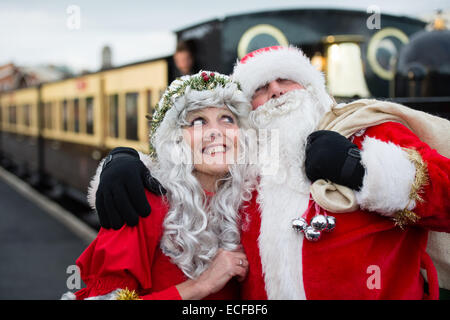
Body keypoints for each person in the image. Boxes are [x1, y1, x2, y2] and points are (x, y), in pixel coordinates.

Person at [90, 46, 450, 299]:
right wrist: (124, 161)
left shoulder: (364, 131)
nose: (276, 91)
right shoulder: (247, 164)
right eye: (260, 88)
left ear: (312, 88)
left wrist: (361, 169)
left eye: (286, 79)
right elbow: (185, 172)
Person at [62, 71, 254, 300]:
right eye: (198, 121)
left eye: (227, 118)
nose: (216, 131)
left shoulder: (253, 200)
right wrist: (201, 285)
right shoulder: (142, 203)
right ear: (174, 141)